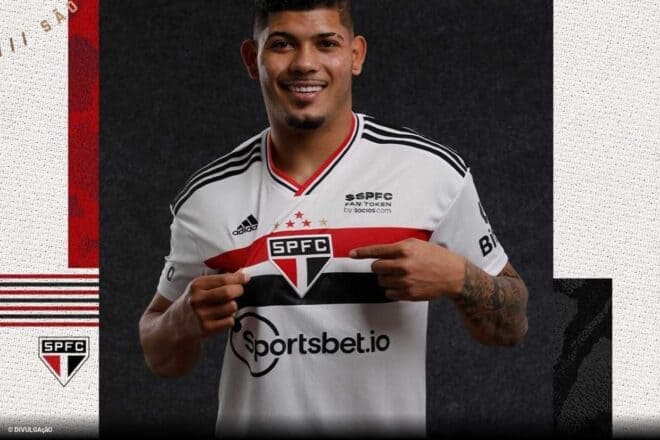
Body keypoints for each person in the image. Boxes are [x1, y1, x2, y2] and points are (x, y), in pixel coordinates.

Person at [139, 0, 529, 437]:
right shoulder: (206, 197)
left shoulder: (431, 172)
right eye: (283, 44)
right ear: (252, 59)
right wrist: (181, 321)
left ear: (355, 55)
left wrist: (459, 277)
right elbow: (160, 355)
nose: (305, 63)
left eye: (326, 43)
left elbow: (512, 324)